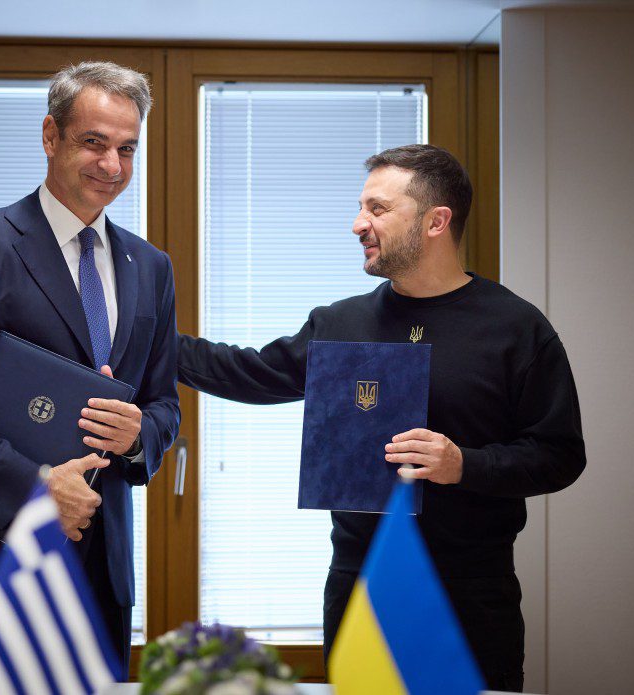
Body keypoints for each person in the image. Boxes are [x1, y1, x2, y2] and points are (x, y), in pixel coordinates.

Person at [178, 144, 585, 692]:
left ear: (436, 220)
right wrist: (147, 342)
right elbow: (250, 373)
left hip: (470, 590)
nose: (357, 224)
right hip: (358, 584)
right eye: (361, 207)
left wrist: (464, 464)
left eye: (377, 208)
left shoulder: (516, 328)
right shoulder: (340, 322)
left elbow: (560, 455)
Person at [0, 61, 180, 682]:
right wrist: (33, 491)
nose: (112, 166)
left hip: (104, 571)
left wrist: (139, 438)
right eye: (93, 143)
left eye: (127, 149)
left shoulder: (150, 266)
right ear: (51, 136)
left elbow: (161, 405)